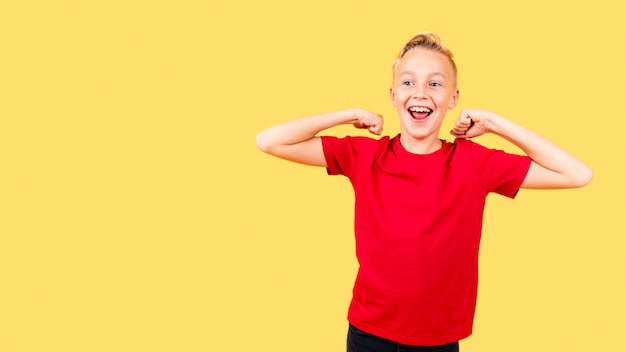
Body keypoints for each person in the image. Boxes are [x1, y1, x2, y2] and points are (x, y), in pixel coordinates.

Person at [255, 32, 592, 352]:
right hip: (369, 333)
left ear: (452, 98)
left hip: (439, 339)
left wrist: (492, 122)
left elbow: (577, 173)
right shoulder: (363, 155)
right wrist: (348, 115)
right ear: (393, 96)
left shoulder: (474, 162)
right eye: (408, 82)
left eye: (434, 83)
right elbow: (269, 140)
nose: (420, 92)